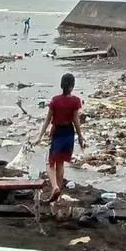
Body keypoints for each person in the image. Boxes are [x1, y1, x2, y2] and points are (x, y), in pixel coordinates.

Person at [38, 72, 86, 202]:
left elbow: (48, 119)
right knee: (60, 164)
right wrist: (80, 137)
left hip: (58, 133)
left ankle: (54, 187)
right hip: (69, 134)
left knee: (50, 163)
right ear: (72, 85)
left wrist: (40, 136)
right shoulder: (76, 101)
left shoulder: (55, 100)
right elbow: (76, 120)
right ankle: (57, 197)